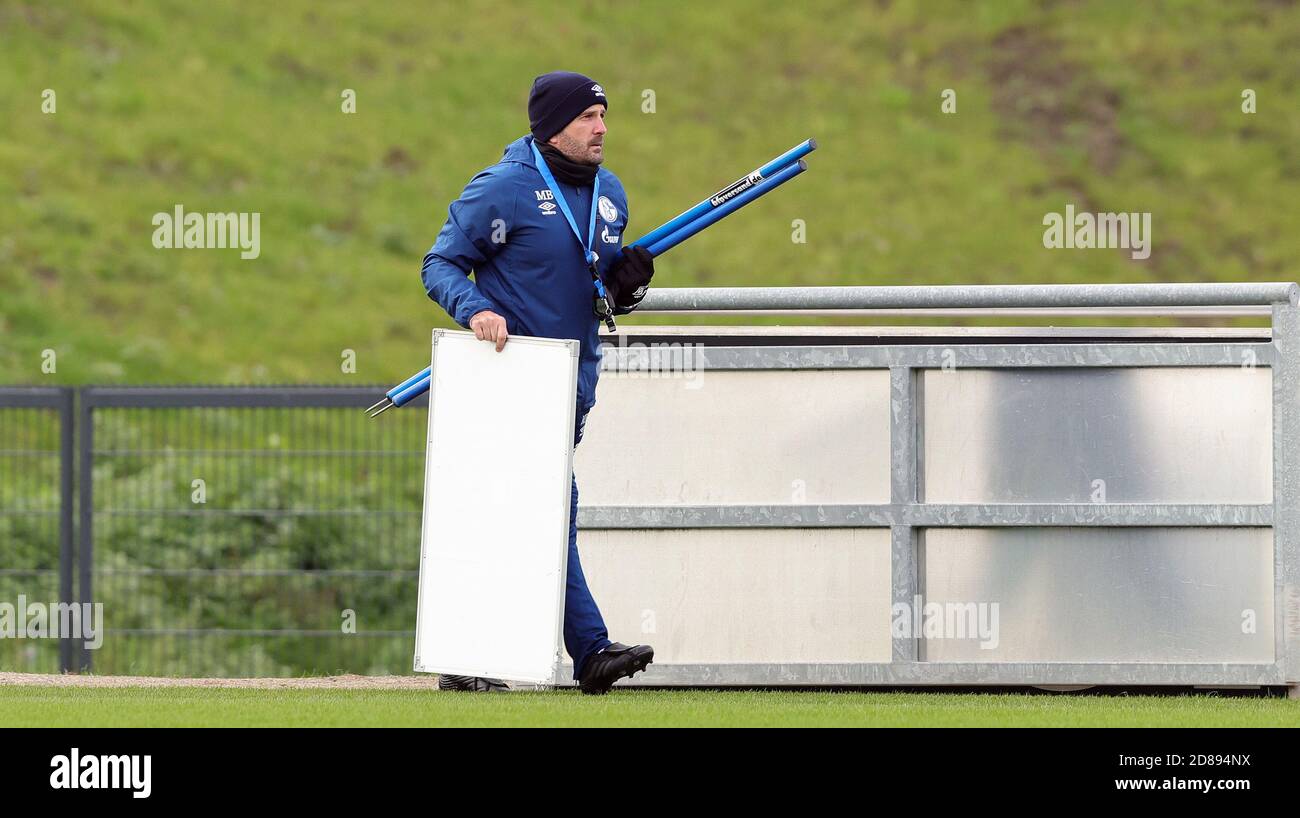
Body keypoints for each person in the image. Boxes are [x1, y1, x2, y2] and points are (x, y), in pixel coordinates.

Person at [421, 71, 655, 695]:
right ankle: (590, 649)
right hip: (515, 379)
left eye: (605, 115)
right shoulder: (505, 188)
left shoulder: (611, 196)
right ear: (554, 125)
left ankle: (472, 661)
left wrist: (628, 286)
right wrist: (475, 310)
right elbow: (439, 262)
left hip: (576, 382)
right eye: (588, 117)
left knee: (524, 513)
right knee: (552, 508)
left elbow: (599, 291)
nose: (602, 127)